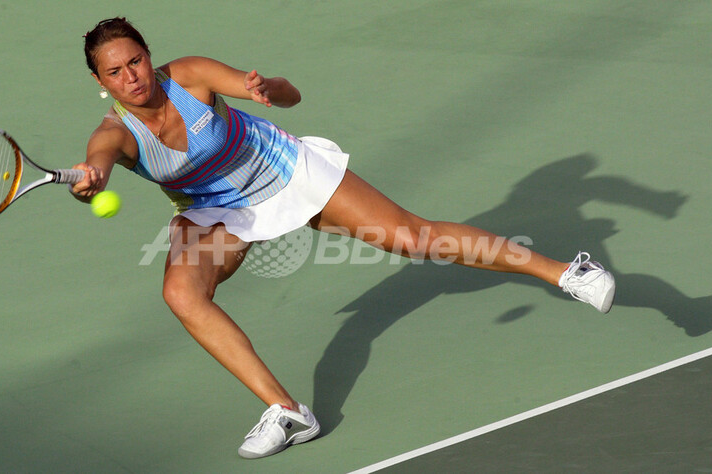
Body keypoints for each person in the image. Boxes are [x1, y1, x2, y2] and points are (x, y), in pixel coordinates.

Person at [71, 17, 615, 459]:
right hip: (214, 210)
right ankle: (288, 413)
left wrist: (266, 89)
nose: (132, 77)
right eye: (115, 72)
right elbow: (101, 161)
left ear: (149, 54)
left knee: (413, 238)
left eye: (135, 61)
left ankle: (570, 273)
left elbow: (290, 96)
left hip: (281, 168)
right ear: (102, 82)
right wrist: (93, 178)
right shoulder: (115, 135)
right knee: (181, 293)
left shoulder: (190, 75)